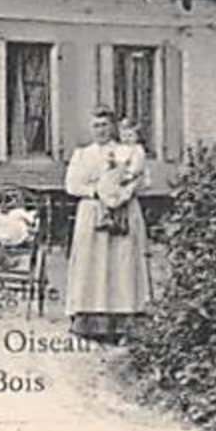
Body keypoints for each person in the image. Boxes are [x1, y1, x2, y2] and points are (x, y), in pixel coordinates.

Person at [63, 107, 152, 343]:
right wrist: (98, 191)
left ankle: (125, 321)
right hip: (92, 210)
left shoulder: (127, 151)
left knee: (122, 265)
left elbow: (144, 180)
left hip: (123, 210)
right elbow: (71, 185)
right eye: (96, 126)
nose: (100, 131)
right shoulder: (83, 154)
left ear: (113, 127)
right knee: (92, 264)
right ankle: (89, 321)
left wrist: (123, 192)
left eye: (104, 125)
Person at [98, 117, 147, 236]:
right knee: (105, 189)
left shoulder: (137, 150)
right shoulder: (120, 148)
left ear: (137, 136)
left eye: (130, 136)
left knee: (123, 196)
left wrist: (130, 175)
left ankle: (122, 222)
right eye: (124, 135)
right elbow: (114, 160)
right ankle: (108, 217)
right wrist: (111, 162)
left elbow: (137, 165)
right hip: (116, 175)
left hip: (128, 177)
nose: (126, 139)